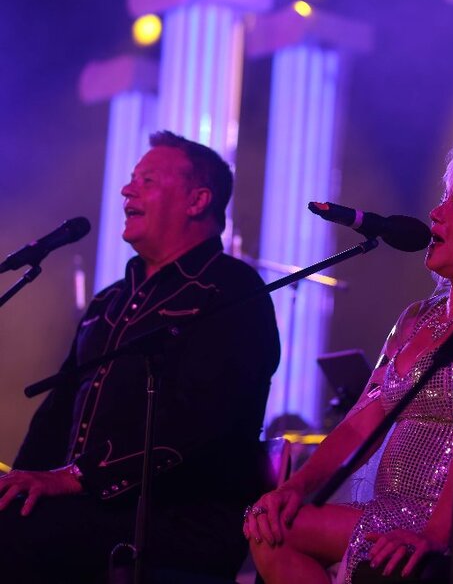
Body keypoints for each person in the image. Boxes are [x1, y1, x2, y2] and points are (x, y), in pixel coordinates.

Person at [244, 147, 453, 584]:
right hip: (391, 509)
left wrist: (437, 532)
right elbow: (362, 422)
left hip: (451, 518)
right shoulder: (418, 316)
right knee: (268, 525)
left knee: (281, 533)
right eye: (443, 200)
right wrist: (294, 488)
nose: (435, 214)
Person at [0, 131, 281, 582]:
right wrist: (22, 482)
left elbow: (199, 419)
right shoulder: (107, 301)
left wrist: (76, 478)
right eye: (131, 180)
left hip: (176, 520)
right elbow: (55, 414)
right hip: (85, 508)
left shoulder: (231, 291)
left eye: (147, 180)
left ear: (197, 201)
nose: (127, 190)